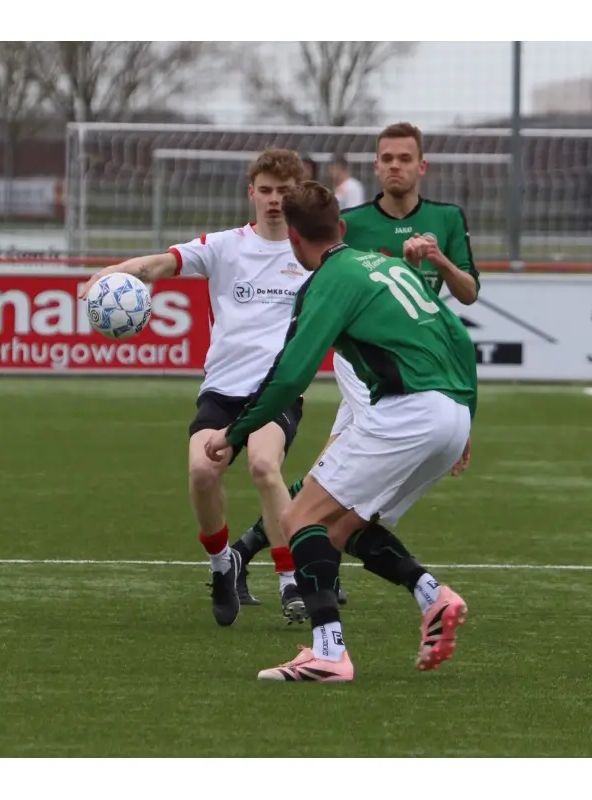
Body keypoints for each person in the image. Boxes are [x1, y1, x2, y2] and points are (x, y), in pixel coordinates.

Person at [203, 182, 478, 682]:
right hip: (450, 412)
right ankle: (432, 595)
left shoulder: (327, 280)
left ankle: (329, 653)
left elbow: (290, 375)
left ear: (293, 238)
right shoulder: (391, 266)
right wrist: (466, 420)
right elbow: (458, 337)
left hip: (407, 414)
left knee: (297, 516)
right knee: (342, 526)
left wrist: (234, 432)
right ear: (342, 227)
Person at [230, 122, 479, 600]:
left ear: (421, 166)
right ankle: (330, 577)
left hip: (413, 372)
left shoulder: (446, 218)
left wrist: (437, 262)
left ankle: (265, 557)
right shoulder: (353, 221)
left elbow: (467, 294)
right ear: (376, 167)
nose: (394, 166)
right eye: (386, 158)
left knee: (328, 488)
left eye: (404, 158)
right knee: (342, 488)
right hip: (370, 365)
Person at [79, 148, 311, 627]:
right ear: (251, 193)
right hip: (223, 389)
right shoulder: (225, 246)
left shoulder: (311, 254)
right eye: (266, 190)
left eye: (285, 192)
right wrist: (110, 273)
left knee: (264, 465)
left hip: (278, 389)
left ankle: (291, 580)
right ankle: (223, 565)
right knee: (203, 474)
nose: (274, 200)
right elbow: (159, 265)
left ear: (298, 196)